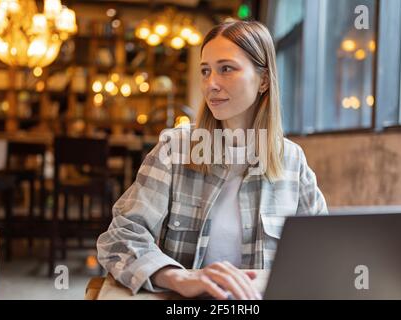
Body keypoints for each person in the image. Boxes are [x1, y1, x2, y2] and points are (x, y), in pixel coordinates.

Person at [97, 19, 328, 300]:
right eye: (205, 71)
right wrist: (179, 277)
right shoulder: (175, 149)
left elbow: (321, 251)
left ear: (264, 80)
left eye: (226, 69)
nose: (211, 84)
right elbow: (120, 237)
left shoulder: (292, 161)